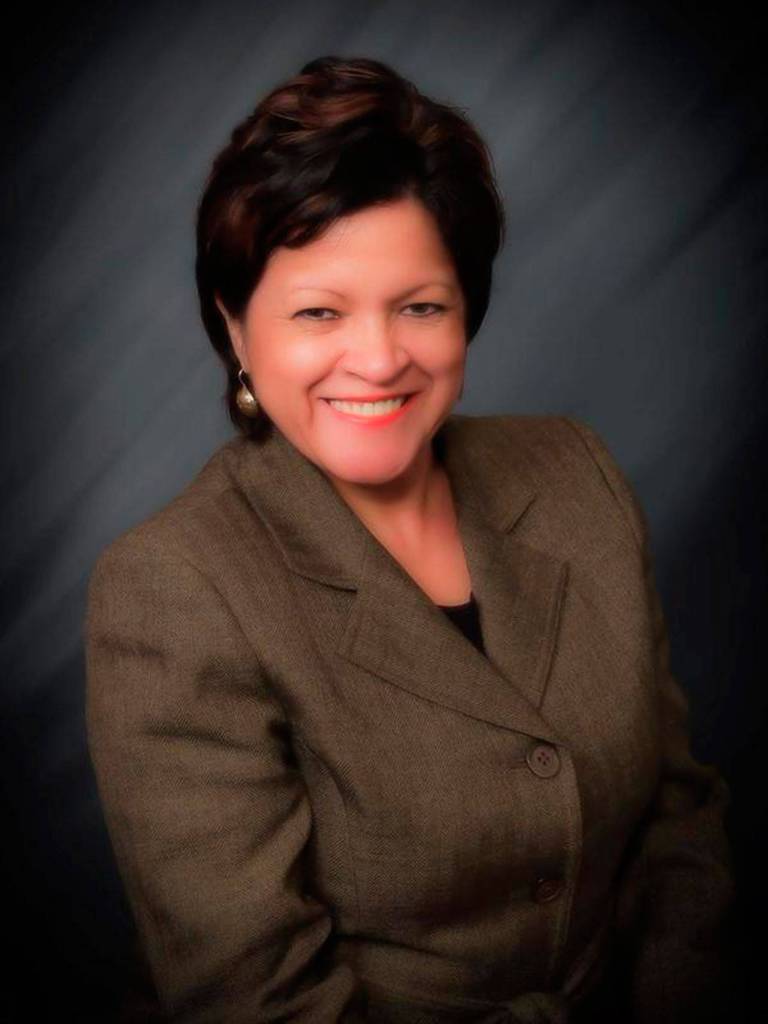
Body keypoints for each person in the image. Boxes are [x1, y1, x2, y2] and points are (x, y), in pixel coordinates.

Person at [84, 56, 736, 1023]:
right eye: (319, 312)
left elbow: (678, 822)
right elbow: (261, 1000)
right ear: (236, 330)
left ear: (466, 309)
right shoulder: (173, 589)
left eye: (420, 306)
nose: (380, 358)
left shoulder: (576, 474)